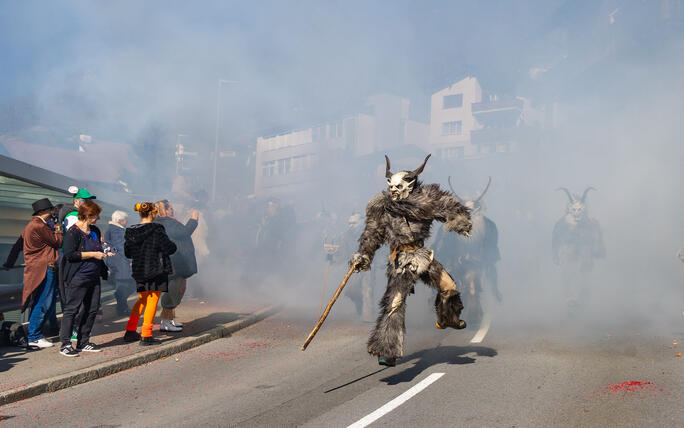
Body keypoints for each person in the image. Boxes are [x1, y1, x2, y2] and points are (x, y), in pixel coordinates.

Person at [349, 154, 472, 367]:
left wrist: (460, 221)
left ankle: (447, 318)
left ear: (410, 185)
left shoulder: (426, 201)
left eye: (398, 187)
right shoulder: (383, 207)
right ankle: (387, 350)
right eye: (391, 187)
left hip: (423, 255)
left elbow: (449, 207)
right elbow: (372, 233)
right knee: (395, 302)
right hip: (401, 260)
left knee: (449, 286)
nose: (393, 191)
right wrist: (364, 254)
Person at [59, 200, 110, 357]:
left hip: (94, 276)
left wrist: (105, 251)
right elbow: (69, 255)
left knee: (91, 309)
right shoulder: (72, 232)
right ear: (88, 215)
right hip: (78, 277)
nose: (98, 219)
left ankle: (83, 341)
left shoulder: (94, 230)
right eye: (96, 216)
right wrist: (93, 254)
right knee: (72, 310)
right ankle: (65, 344)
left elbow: (98, 247)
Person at [123, 202, 177, 345]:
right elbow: (169, 248)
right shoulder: (157, 229)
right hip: (155, 269)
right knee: (152, 301)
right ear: (152, 213)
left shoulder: (130, 231)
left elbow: (127, 253)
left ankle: (130, 330)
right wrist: (173, 244)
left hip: (139, 270)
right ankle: (146, 335)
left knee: (142, 300)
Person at [21, 198, 63, 348]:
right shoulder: (39, 226)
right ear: (44, 212)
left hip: (38, 267)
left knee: (42, 300)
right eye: (50, 211)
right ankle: (34, 336)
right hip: (45, 267)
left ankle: (35, 335)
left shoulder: (31, 225)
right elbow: (58, 242)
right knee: (43, 301)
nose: (52, 214)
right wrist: (58, 228)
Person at [154, 199, 198, 332]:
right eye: (170, 208)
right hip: (174, 264)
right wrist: (194, 219)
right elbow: (185, 232)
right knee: (173, 292)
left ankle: (168, 320)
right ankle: (166, 322)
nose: (172, 210)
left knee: (176, 291)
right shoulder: (166, 222)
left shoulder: (166, 222)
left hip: (176, 263)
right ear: (165, 210)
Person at [104, 210, 135, 316]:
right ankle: (122, 308)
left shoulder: (113, 229)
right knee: (124, 286)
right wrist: (131, 259)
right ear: (120, 220)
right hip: (121, 263)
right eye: (125, 219)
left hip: (117, 262)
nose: (126, 221)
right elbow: (122, 247)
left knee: (124, 285)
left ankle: (122, 305)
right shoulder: (117, 231)